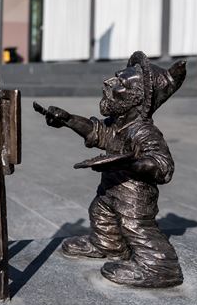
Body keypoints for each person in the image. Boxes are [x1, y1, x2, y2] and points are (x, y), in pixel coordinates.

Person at [37, 51, 187, 288]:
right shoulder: (117, 124)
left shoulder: (142, 131)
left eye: (120, 83)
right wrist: (67, 119)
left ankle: (160, 267)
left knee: (136, 226)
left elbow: (163, 165)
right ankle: (107, 245)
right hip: (111, 190)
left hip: (134, 196)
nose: (109, 83)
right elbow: (95, 131)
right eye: (115, 78)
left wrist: (133, 163)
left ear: (135, 99)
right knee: (100, 211)